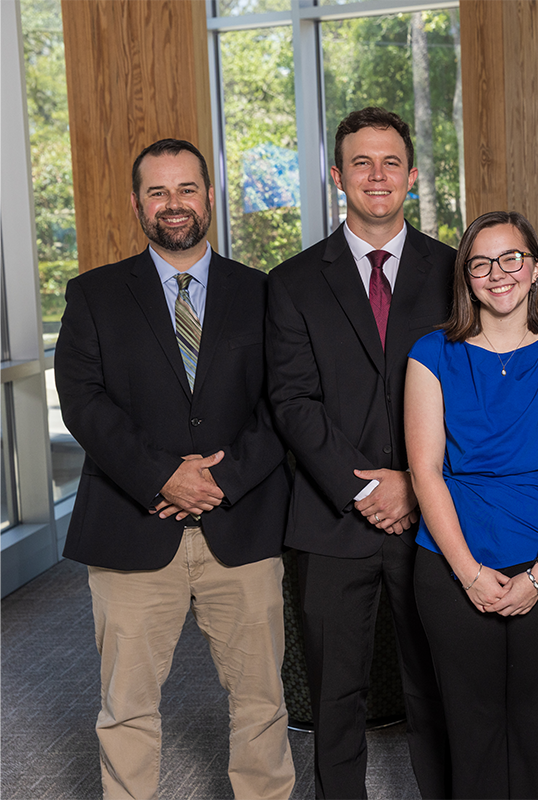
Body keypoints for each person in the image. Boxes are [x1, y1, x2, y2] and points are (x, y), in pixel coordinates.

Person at [55, 138, 294, 799]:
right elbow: (83, 402)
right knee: (126, 708)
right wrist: (163, 474)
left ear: (210, 197)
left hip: (241, 526)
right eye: (157, 192)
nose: (174, 204)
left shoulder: (265, 293)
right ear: (137, 203)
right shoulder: (95, 295)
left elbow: (287, 402)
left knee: (261, 703)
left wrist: (221, 480)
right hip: (132, 527)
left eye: (186, 188)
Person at [265, 107, 453, 799]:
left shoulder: (458, 272)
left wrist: (413, 482)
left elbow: (467, 392)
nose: (378, 176)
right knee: (334, 698)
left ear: (411, 175)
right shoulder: (290, 282)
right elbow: (291, 402)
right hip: (330, 522)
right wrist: (370, 489)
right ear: (338, 176)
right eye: (362, 163)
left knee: (435, 687)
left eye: (391, 162)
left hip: (436, 520)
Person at [405, 210, 538, 798]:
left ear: (535, 269)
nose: (497, 274)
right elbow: (426, 473)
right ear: (466, 276)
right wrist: (468, 575)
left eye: (511, 258)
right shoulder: (431, 353)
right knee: (471, 725)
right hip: (453, 562)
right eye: (481, 262)